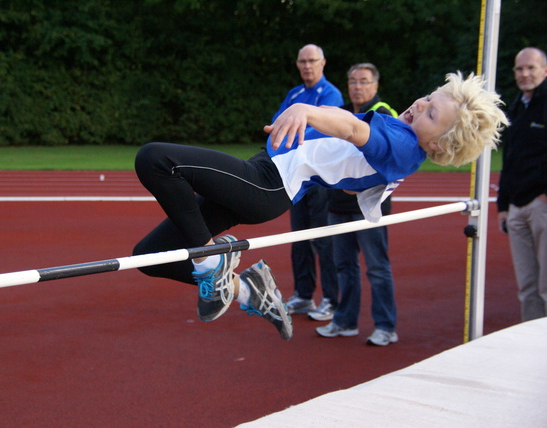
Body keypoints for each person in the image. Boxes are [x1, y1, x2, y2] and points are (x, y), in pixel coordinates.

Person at [133, 72, 507, 342]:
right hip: (268, 179)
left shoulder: (402, 142)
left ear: (440, 145)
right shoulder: (406, 148)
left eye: (431, 114)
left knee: (155, 159)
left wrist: (305, 112)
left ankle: (208, 263)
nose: (420, 105)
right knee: (150, 256)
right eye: (428, 98)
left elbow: (350, 127)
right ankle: (249, 290)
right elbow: (352, 179)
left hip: (268, 183)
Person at [316, 63, 400, 346]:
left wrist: (361, 187)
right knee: (344, 266)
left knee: (377, 267)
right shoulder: (342, 113)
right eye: (353, 81)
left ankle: (386, 326)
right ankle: (345, 321)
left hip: (368, 206)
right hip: (337, 204)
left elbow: (392, 162)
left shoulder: (384, 113)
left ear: (375, 85)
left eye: (364, 81)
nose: (357, 87)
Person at [271, 44, 343, 320]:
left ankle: (330, 299)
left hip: (320, 181)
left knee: (322, 240)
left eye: (312, 61)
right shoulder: (295, 94)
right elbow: (278, 124)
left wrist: (296, 134)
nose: (307, 66)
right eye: (302, 61)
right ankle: (303, 295)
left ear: (323, 63)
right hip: (296, 179)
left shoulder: (331, 94)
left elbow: (323, 134)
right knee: (298, 238)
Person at [497, 47, 547, 322]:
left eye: (531, 67)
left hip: (541, 205)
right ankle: (531, 339)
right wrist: (503, 206)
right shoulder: (516, 107)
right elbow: (509, 159)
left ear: (545, 71)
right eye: (519, 68)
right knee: (527, 286)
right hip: (516, 208)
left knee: (546, 285)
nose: (525, 73)